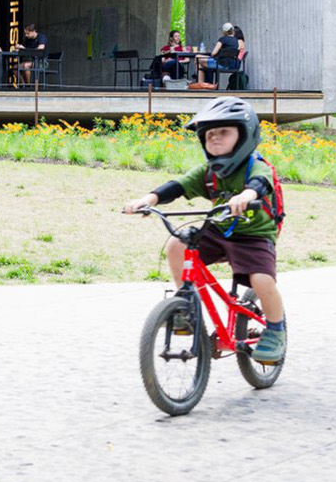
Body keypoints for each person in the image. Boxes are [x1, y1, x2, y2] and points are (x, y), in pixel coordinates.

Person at [122, 96, 287, 362]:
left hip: (254, 235)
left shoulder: (256, 166)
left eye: (224, 132)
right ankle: (186, 306)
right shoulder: (209, 171)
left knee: (261, 279)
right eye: (209, 134)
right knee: (177, 245)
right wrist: (148, 199)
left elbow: (261, 182)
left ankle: (276, 329)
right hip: (219, 231)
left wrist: (246, 195)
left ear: (244, 136)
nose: (215, 138)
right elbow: (178, 185)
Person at [207, 22, 246, 90]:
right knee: (210, 65)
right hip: (233, 62)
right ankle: (208, 85)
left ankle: (204, 85)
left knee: (204, 64)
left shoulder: (229, 40)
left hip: (233, 63)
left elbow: (213, 53)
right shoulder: (236, 41)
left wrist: (222, 51)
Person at [11, 22, 47, 86]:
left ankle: (29, 85)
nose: (26, 35)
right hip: (31, 61)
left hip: (41, 62)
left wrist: (24, 48)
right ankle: (22, 83)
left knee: (25, 66)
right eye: (25, 33)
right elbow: (26, 51)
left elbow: (40, 50)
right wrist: (19, 48)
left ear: (34, 31)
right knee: (14, 67)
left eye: (28, 33)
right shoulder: (27, 39)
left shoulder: (41, 37)